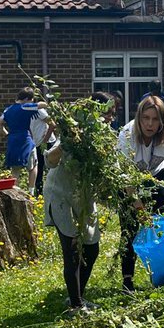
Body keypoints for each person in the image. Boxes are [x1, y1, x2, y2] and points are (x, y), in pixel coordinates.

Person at [43, 93, 114, 313]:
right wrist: (67, 142)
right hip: (60, 194)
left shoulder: (102, 139)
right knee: (72, 249)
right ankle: (75, 305)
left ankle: (77, 296)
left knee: (91, 249)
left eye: (112, 113)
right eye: (107, 113)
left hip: (83, 197)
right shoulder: (72, 134)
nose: (111, 118)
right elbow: (50, 161)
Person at [116, 94, 164, 293]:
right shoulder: (126, 135)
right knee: (130, 229)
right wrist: (139, 209)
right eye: (146, 118)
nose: (150, 124)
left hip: (155, 177)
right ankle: (128, 279)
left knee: (161, 227)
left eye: (155, 119)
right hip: (128, 182)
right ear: (139, 118)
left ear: (162, 121)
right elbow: (126, 178)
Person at [0, 87, 39, 192]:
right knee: (33, 166)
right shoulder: (25, 107)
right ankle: (31, 191)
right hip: (25, 140)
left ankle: (15, 193)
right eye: (32, 99)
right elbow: (42, 105)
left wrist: (7, 134)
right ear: (27, 98)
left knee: (15, 169)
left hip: (13, 140)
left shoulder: (8, 110)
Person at [30, 101, 57, 197]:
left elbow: (52, 124)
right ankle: (39, 195)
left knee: (51, 169)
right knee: (38, 169)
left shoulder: (39, 111)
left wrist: (44, 141)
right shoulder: (25, 112)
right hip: (36, 144)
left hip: (47, 142)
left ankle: (52, 194)